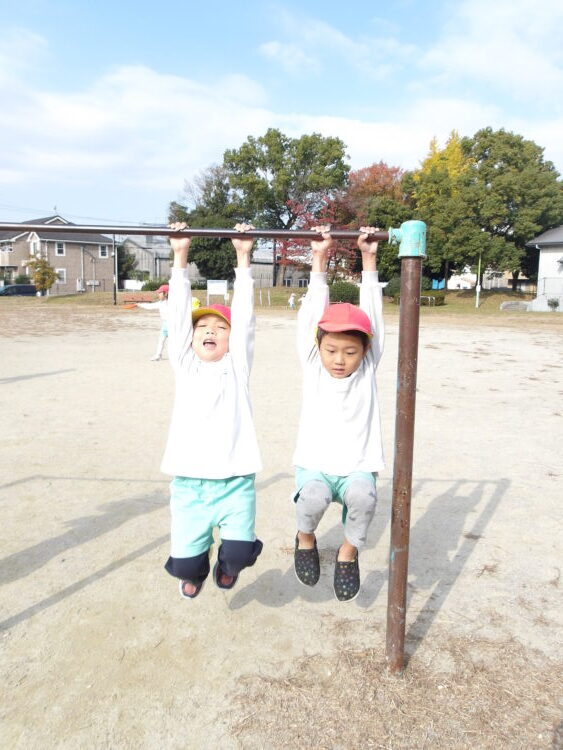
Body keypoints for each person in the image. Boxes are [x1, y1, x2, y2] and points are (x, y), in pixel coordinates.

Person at [162, 222, 263, 599]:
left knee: (238, 556)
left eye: (219, 328)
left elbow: (245, 320)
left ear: (230, 339)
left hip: (235, 482)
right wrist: (180, 256)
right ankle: (197, 564)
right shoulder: (185, 366)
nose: (209, 331)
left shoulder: (238, 368)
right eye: (202, 326)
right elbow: (176, 319)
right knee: (185, 569)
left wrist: (243, 257)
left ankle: (226, 565)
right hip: (190, 485)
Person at [292, 225, 384, 602]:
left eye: (350, 351)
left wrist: (368, 259)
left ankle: (348, 552)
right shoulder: (313, 365)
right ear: (319, 347)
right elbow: (312, 316)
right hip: (315, 463)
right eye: (331, 350)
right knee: (312, 498)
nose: (340, 359)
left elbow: (374, 318)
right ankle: (305, 538)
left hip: (357, 464)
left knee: (363, 497)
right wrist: (319, 258)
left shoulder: (367, 369)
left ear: (365, 351)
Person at [136, 284, 169, 361]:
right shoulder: (160, 303)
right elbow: (150, 306)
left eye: (160, 293)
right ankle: (158, 355)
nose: (158, 294)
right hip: (165, 324)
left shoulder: (173, 303)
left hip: (173, 325)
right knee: (161, 341)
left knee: (174, 342)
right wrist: (139, 305)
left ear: (166, 293)